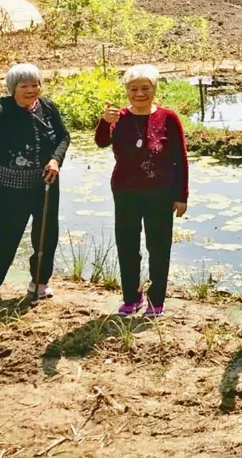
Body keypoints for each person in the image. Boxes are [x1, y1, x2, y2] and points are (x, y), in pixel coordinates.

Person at [95, 65, 189, 316]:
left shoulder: (169, 117)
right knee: (127, 244)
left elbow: (180, 158)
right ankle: (131, 297)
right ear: (127, 91)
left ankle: (156, 300)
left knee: (158, 246)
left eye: (145, 88)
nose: (139, 93)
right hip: (125, 191)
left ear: (154, 89)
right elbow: (101, 141)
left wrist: (181, 195)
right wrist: (104, 122)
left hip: (160, 193)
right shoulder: (119, 117)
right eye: (134, 88)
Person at [0, 64, 69, 302]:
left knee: (46, 233)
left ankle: (39, 283)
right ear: (12, 89)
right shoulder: (4, 107)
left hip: (46, 183)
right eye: (24, 85)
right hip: (11, 186)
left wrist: (55, 160)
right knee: (6, 233)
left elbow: (63, 136)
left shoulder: (47, 107)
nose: (31, 89)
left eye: (35, 84)